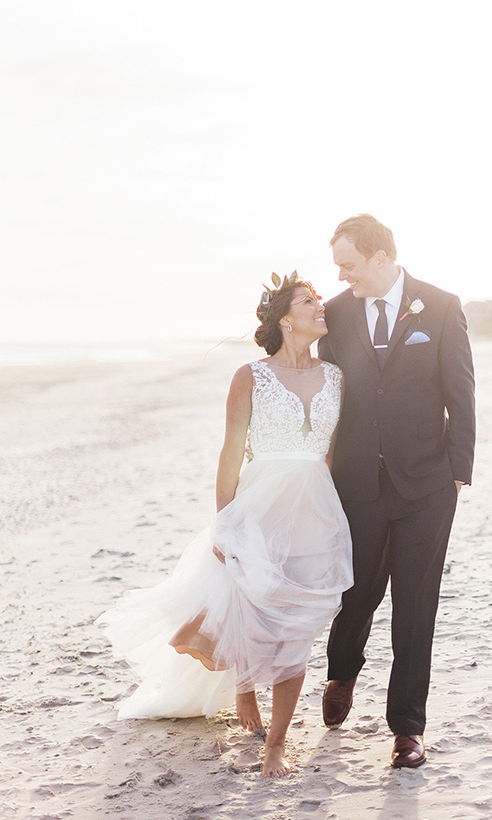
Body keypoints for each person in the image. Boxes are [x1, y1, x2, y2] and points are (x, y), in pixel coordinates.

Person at [97, 273, 353, 778]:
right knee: (250, 606)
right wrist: (224, 521)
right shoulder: (250, 376)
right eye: (309, 301)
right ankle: (243, 688)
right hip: (258, 504)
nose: (320, 306)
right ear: (286, 318)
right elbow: (232, 449)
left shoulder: (336, 377)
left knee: (296, 625)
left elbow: (329, 453)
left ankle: (276, 745)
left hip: (315, 509)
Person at [317, 215, 476, 768]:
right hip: (357, 481)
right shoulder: (333, 315)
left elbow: (461, 390)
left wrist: (459, 468)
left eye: (349, 263)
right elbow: (320, 391)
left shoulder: (441, 305)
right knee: (355, 594)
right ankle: (342, 672)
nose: (341, 274)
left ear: (381, 257)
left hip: (428, 484)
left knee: (416, 604)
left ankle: (408, 727)